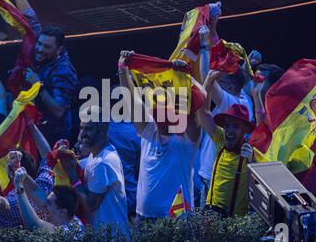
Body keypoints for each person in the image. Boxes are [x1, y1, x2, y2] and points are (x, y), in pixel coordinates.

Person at [118, 51, 201, 221]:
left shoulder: (187, 139)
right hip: (143, 219)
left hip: (177, 220)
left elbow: (194, 109)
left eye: (166, 114)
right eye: (158, 113)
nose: (161, 119)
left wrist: (183, 78)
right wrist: (122, 70)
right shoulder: (149, 130)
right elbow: (131, 100)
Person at [9, 0, 78, 145]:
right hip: (37, 125)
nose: (39, 49)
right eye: (39, 44)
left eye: (46, 47)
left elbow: (59, 111)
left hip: (55, 136)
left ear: (59, 49)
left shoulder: (63, 71)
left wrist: (38, 85)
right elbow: (30, 16)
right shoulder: (42, 39)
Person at [196, 25, 255, 210]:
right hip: (217, 173)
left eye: (222, 83)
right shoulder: (245, 99)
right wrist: (213, 27)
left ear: (229, 87)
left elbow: (207, 77)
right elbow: (240, 72)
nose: (218, 85)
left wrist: (204, 47)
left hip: (214, 176)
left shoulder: (232, 104)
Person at [198, 70, 261, 217]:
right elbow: (203, 113)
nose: (229, 131)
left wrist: (257, 95)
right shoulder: (221, 139)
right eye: (227, 125)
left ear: (246, 129)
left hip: (233, 225)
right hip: (210, 215)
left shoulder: (251, 148)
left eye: (236, 126)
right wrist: (209, 78)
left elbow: (262, 122)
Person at [62, 106, 129, 234]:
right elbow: (69, 164)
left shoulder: (103, 162)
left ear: (103, 128)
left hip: (113, 241)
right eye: (81, 128)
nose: (82, 134)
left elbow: (89, 205)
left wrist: (71, 174)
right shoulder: (95, 155)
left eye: (88, 128)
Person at [0, 124, 55, 227]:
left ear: (10, 174)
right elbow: (48, 157)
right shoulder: (45, 184)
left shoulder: (11, 204)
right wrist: (31, 124)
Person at [14, 166, 84, 234]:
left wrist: (19, 187)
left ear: (62, 212)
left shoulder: (70, 231)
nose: (43, 205)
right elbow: (34, 190)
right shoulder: (69, 218)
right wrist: (18, 170)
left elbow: (33, 225)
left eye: (49, 203)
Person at [108, 120, 141, 220]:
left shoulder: (102, 129)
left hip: (109, 198)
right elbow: (140, 169)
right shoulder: (135, 133)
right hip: (131, 197)